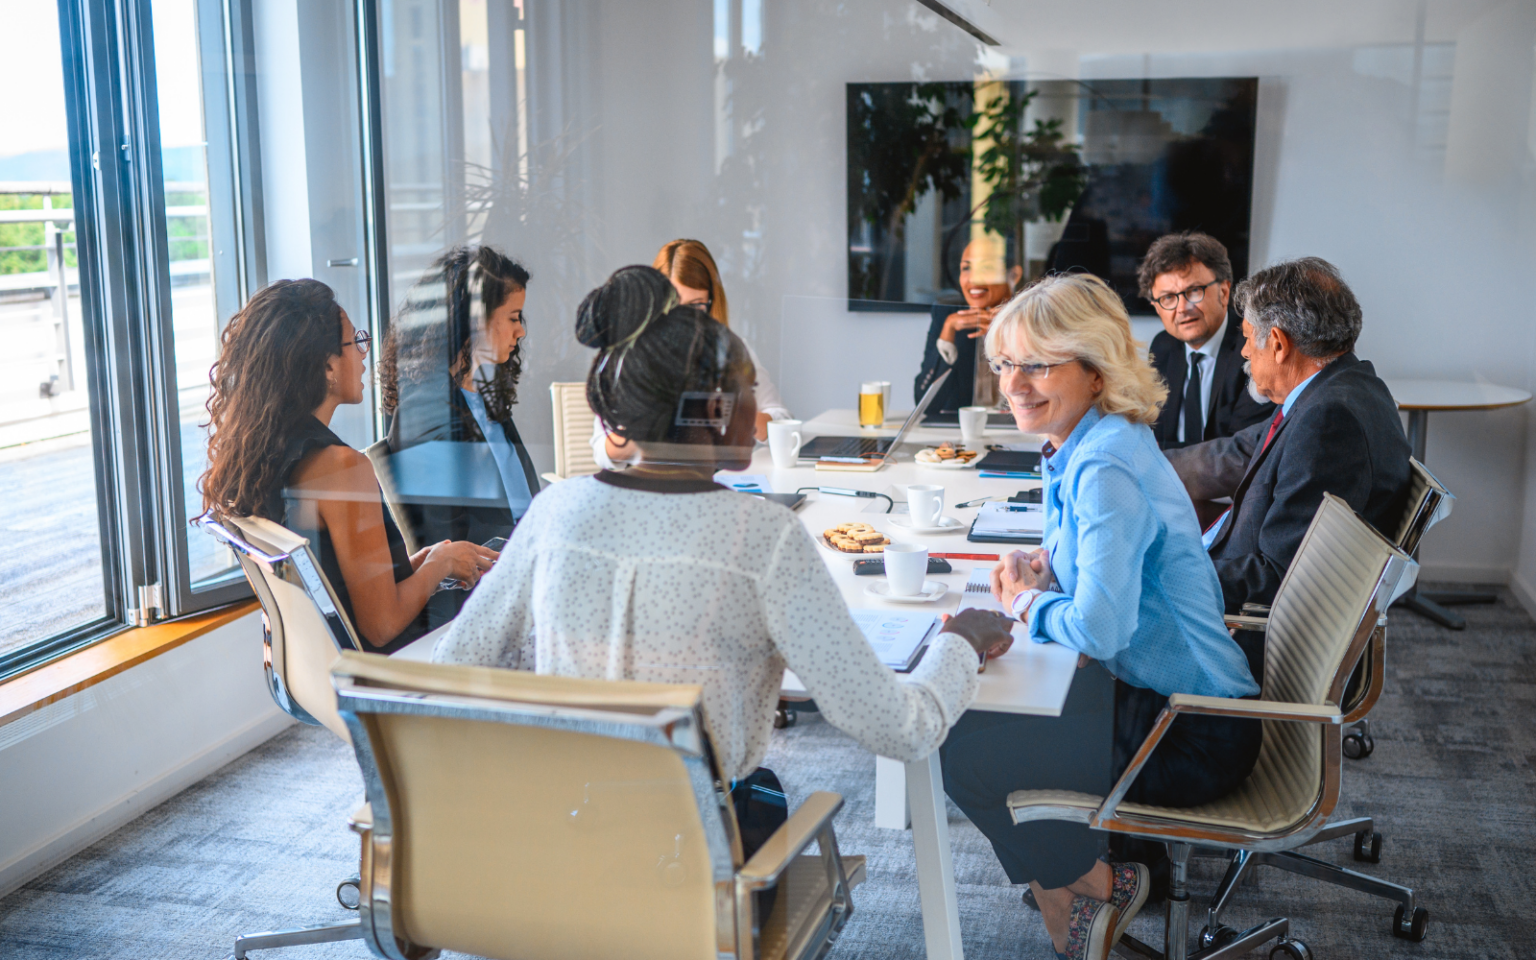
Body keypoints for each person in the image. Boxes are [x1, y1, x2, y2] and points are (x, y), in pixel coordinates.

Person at [436, 264, 1015, 860]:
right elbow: (901, 727)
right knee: (763, 793)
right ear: (711, 409)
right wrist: (962, 642)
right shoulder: (763, 537)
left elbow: (451, 669)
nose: (761, 411)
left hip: (556, 854)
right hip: (691, 867)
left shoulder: (554, 511)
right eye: (748, 389)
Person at [937, 273, 1262, 960]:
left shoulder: (1104, 464)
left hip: (1192, 728)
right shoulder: (1089, 442)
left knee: (963, 752)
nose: (1014, 384)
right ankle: (1085, 884)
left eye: (1037, 365)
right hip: (1156, 695)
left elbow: (1101, 631)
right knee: (970, 727)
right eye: (1005, 365)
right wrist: (1048, 575)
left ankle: (1085, 893)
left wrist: (1025, 601)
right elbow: (1095, 578)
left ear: (1094, 369)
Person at [200, 279, 498, 652]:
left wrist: (422, 565)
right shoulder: (341, 469)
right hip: (391, 668)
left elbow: (343, 587)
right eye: (355, 342)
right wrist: (439, 563)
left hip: (328, 666)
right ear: (327, 365)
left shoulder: (262, 458)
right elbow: (382, 626)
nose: (363, 355)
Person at [1165, 257, 1410, 682]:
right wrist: (1138, 466)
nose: (1243, 351)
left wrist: (1165, 575)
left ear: (1277, 343)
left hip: (1251, 636)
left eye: (1247, 339)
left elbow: (1279, 576)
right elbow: (1243, 450)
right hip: (1243, 602)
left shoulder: (1329, 421)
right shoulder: (1342, 388)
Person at [379, 246, 539, 549]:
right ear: (475, 319)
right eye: (514, 317)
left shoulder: (483, 394)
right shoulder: (426, 411)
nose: (521, 331)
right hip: (485, 578)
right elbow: (447, 539)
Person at [592, 238, 790, 469]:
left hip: (717, 485)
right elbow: (602, 454)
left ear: (711, 302)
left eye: (696, 305)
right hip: (652, 489)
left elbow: (782, 419)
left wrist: (741, 413)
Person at [1139, 232, 1275, 451]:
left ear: (1224, 291)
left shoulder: (1255, 347)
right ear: (1156, 307)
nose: (1182, 308)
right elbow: (1152, 435)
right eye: (1168, 298)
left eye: (1194, 291)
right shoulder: (1162, 346)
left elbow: (1244, 450)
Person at [913, 237, 1024, 415]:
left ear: (1013, 275)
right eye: (966, 268)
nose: (973, 278)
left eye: (986, 267)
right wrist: (947, 332)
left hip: (1019, 432)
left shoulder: (1030, 317)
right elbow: (925, 405)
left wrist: (1013, 334)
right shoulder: (947, 315)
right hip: (964, 432)